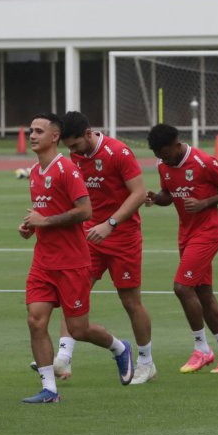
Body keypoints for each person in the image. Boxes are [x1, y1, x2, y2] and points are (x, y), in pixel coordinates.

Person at [19, 114, 136, 403]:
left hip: (72, 262)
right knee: (36, 321)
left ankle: (120, 348)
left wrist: (45, 222)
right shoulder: (35, 172)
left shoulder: (67, 169)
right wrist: (31, 226)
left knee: (78, 329)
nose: (32, 135)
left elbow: (85, 211)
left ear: (54, 137)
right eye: (30, 130)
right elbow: (45, 213)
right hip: (43, 262)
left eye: (38, 131)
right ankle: (49, 389)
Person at [57, 112, 155, 384]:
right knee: (73, 291)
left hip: (122, 236)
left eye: (75, 145)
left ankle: (146, 361)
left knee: (130, 300)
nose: (72, 152)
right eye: (69, 148)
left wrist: (110, 223)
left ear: (89, 133)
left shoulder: (118, 152)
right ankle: (63, 359)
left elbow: (138, 193)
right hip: (90, 237)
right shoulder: (76, 156)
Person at [145, 123, 218, 374]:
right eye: (157, 155)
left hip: (208, 233)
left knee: (182, 287)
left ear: (176, 144)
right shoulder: (163, 165)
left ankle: (202, 349)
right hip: (186, 235)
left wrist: (205, 203)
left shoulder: (202, 161)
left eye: (164, 153)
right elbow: (169, 194)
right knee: (203, 294)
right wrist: (156, 198)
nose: (162, 158)